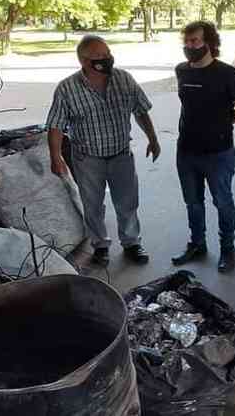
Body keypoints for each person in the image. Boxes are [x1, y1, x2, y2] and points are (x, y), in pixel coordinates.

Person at [46, 35, 161, 266]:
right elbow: (56, 125)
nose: (107, 59)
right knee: (93, 205)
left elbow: (140, 110)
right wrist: (55, 157)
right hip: (87, 158)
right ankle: (100, 246)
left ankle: (131, 243)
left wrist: (152, 137)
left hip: (121, 154)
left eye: (108, 53)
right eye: (100, 56)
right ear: (84, 61)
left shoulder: (124, 79)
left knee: (127, 201)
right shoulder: (67, 88)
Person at [171, 21, 235, 273]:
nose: (189, 46)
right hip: (186, 150)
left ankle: (227, 248)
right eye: (186, 41)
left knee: (223, 202)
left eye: (195, 41)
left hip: (218, 153)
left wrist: (220, 125)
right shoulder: (181, 70)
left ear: (209, 43)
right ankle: (197, 244)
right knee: (193, 202)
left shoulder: (226, 73)